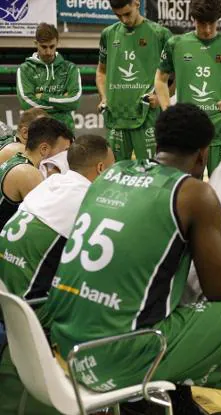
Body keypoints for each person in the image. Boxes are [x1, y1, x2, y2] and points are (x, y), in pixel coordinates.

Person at [45, 103, 221, 415]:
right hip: (119, 356)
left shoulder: (113, 173)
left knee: (171, 293)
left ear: (156, 142)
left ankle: (182, 404)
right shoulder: (193, 193)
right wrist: (218, 224)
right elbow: (220, 291)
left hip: (67, 343)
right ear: (203, 154)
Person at [0, 135, 115, 415]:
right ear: (101, 169)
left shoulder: (50, 183)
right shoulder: (90, 199)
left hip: (7, 297)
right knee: (113, 305)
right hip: (33, 309)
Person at [155, 0, 221, 178]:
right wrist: (167, 109)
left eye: (212, 23)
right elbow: (160, 79)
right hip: (187, 133)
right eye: (202, 23)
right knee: (183, 191)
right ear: (193, 19)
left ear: (218, 20)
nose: (208, 29)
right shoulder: (176, 43)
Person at [96, 0, 173, 161]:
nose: (124, 20)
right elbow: (101, 72)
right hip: (116, 116)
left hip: (147, 117)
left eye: (127, 14)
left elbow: (177, 73)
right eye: (118, 16)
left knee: (152, 172)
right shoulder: (108, 34)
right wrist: (104, 97)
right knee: (116, 173)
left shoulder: (160, 34)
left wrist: (161, 98)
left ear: (137, 3)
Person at [0, 117, 73, 229]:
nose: (66, 156)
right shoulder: (28, 173)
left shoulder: (18, 157)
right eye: (65, 150)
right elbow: (50, 218)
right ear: (44, 148)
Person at [16, 23, 82, 131]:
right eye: (44, 47)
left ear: (57, 43)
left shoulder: (70, 68)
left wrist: (43, 97)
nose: (48, 52)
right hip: (38, 131)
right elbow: (27, 103)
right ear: (36, 43)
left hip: (65, 130)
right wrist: (61, 104)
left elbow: (74, 102)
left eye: (52, 46)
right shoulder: (25, 69)